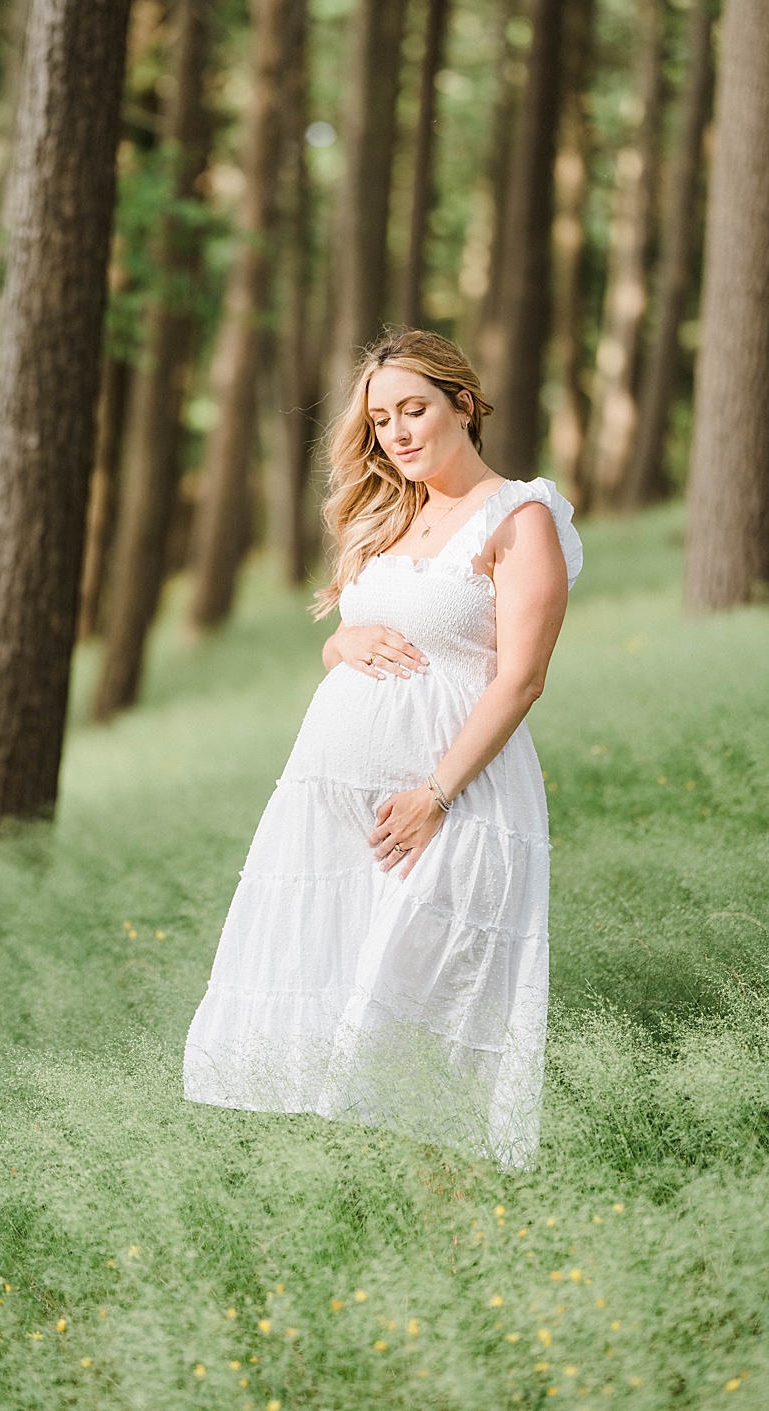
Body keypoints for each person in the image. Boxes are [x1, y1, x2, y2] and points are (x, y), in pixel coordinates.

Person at [183, 330, 582, 1167]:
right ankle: (363, 1225)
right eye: (382, 418)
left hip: (452, 804)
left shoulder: (520, 515)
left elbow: (521, 678)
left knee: (426, 1029)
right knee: (335, 1023)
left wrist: (434, 795)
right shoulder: (389, 513)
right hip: (335, 816)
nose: (398, 432)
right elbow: (349, 639)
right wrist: (340, 646)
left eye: (415, 410)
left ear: (462, 405)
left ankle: (455, 1232)